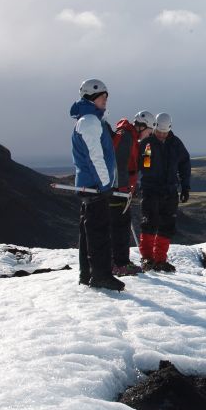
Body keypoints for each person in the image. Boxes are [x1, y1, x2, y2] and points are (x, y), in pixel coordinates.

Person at [70, 78, 125, 291]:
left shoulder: (88, 120)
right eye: (102, 97)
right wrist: (105, 185)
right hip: (95, 186)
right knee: (99, 232)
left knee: (88, 232)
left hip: (90, 184)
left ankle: (87, 274)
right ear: (91, 98)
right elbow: (95, 157)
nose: (105, 100)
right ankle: (101, 276)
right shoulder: (91, 122)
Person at [138, 112, 191, 272]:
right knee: (149, 223)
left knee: (167, 226)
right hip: (150, 190)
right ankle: (147, 258)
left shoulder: (176, 143)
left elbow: (185, 164)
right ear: (154, 127)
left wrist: (185, 187)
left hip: (170, 191)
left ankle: (160, 260)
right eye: (159, 132)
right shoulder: (147, 143)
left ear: (169, 129)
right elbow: (140, 165)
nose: (161, 135)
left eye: (165, 132)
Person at [109, 110, 156, 276]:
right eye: (149, 131)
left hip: (122, 190)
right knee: (119, 227)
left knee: (121, 226)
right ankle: (119, 263)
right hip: (118, 191)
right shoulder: (127, 137)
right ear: (142, 126)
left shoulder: (131, 138)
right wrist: (123, 188)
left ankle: (120, 262)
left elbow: (139, 165)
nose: (149, 135)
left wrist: (147, 155)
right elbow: (119, 163)